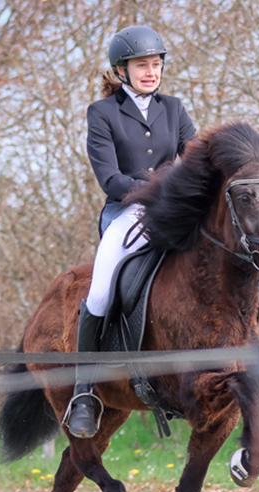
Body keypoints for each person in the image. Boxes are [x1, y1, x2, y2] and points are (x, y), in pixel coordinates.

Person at [64, 25, 196, 438]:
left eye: (156, 64)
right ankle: (84, 392)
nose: (151, 72)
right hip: (125, 212)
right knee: (101, 288)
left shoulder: (173, 108)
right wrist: (158, 188)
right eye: (142, 65)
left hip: (170, 212)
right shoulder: (101, 114)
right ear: (122, 71)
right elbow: (110, 179)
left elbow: (194, 159)